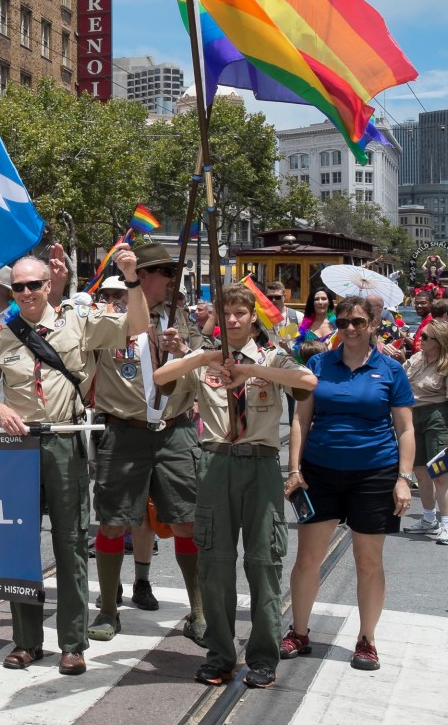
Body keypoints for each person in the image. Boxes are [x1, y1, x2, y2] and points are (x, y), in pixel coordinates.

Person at [0, 245, 148, 676]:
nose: (27, 293)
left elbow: (136, 327)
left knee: (70, 545)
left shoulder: (78, 323)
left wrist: (132, 279)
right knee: (20, 546)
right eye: (19, 287)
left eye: (34, 285)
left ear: (49, 285)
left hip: (65, 440)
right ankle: (26, 641)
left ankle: (72, 642)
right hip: (19, 447)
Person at [154, 284, 316, 689]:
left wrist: (250, 370)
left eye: (240, 314)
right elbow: (159, 378)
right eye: (225, 314)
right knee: (216, 565)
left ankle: (262, 656)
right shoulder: (203, 361)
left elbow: (307, 381)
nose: (232, 320)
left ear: (252, 317)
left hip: (259, 466)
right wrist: (207, 355)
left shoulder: (272, 357)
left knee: (264, 564)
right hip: (215, 463)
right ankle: (220, 654)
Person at [282, 295, 416, 672]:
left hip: (374, 474)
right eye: (343, 323)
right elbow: (300, 420)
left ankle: (367, 639)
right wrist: (294, 468)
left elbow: (405, 428)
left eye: (358, 321)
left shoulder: (390, 369)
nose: (350, 329)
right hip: (320, 472)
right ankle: (300, 632)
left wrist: (403, 480)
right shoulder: (318, 363)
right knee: (307, 558)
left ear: (374, 323)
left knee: (368, 560)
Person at [87, 242, 205, 647]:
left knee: (187, 518)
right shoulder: (109, 319)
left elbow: (202, 372)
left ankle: (200, 611)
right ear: (144, 276)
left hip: (175, 431)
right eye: (166, 273)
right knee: (113, 519)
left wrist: (182, 352)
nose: (172, 281)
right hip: (126, 430)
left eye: (174, 274)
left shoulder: (183, 320)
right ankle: (107, 608)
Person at [401, 320, 448, 544]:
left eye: (425, 337)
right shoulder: (416, 359)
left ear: (439, 341)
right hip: (413, 416)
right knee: (421, 472)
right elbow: (399, 379)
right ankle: (428, 518)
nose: (419, 339)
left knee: (440, 473)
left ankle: (447, 526)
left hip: (438, 417)